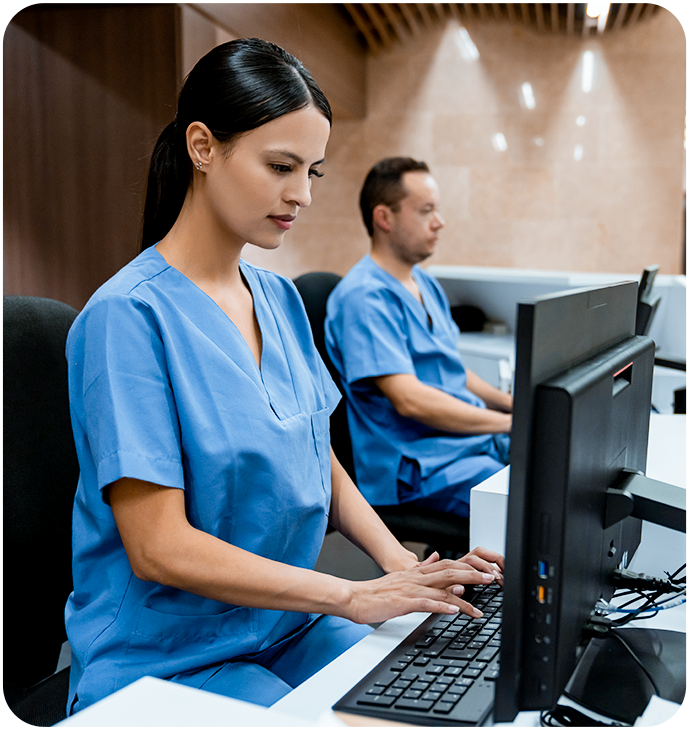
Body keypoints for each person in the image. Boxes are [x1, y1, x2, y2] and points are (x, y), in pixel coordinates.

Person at [64, 41, 505, 715]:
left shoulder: (277, 298)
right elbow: (158, 547)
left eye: (313, 172)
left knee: (438, 685)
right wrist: (351, 595)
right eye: (280, 166)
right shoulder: (126, 318)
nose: (300, 194)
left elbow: (316, 458)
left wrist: (401, 567)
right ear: (203, 146)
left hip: (283, 624)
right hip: (167, 658)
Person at [325, 157, 512, 520]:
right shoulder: (364, 298)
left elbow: (452, 370)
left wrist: (509, 404)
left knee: (562, 465)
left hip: (460, 443)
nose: (439, 222)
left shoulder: (424, 283)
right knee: (533, 502)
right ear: (384, 218)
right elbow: (410, 400)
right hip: (419, 466)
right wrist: (508, 423)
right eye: (426, 210)